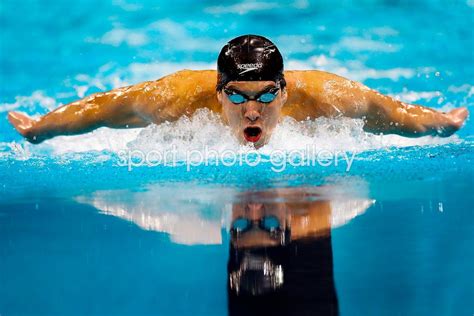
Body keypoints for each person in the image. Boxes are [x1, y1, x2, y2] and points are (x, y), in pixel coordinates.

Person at [8, 35, 468, 149]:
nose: (253, 110)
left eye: (267, 95)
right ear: (217, 92)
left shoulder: (329, 97)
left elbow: (398, 115)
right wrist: (41, 130)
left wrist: (443, 125)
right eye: (237, 96)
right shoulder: (175, 99)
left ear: (285, 93)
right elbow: (101, 109)